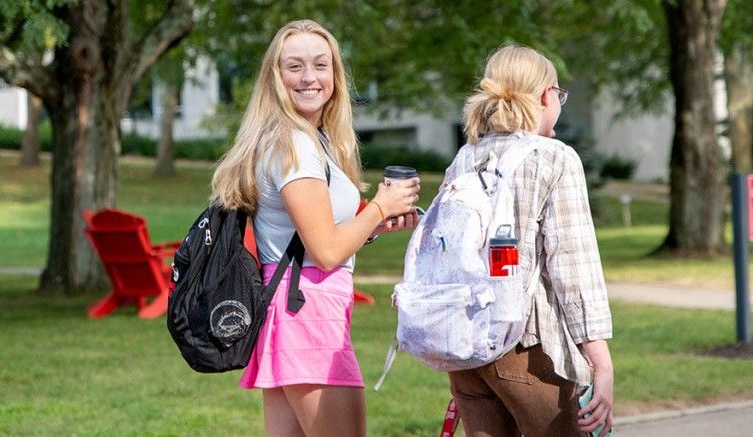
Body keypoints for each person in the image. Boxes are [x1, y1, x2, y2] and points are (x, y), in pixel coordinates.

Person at [210, 19, 420, 437]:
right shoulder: (295, 145)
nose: (310, 78)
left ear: (336, 75)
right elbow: (324, 251)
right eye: (295, 67)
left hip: (295, 307)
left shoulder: (308, 139)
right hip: (307, 312)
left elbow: (314, 237)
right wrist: (379, 206)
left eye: (321, 65)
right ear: (276, 77)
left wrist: (374, 225)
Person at [442, 44, 614, 436]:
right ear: (544, 96)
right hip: (527, 345)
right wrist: (601, 362)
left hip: (467, 350)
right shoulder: (554, 157)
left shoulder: (465, 158)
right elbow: (573, 265)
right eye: (558, 93)